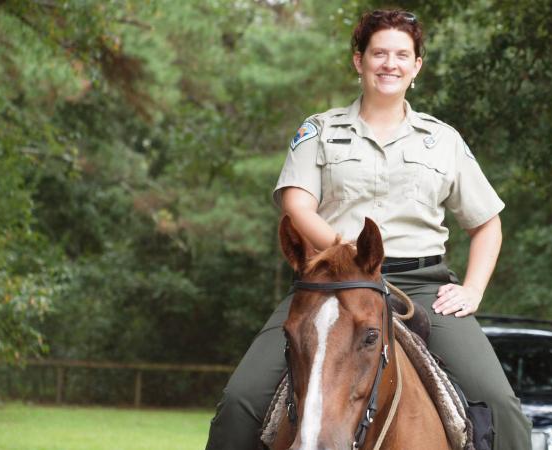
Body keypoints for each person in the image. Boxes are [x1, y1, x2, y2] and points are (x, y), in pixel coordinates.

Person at [206, 9, 532, 450]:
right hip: (331, 282)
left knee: (501, 405)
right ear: (359, 61)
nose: (389, 63)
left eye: (402, 54)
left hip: (420, 286)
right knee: (239, 401)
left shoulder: (443, 141)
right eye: (379, 53)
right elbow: (296, 204)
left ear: (416, 66)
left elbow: (487, 224)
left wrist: (472, 290)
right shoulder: (319, 130)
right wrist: (346, 254)